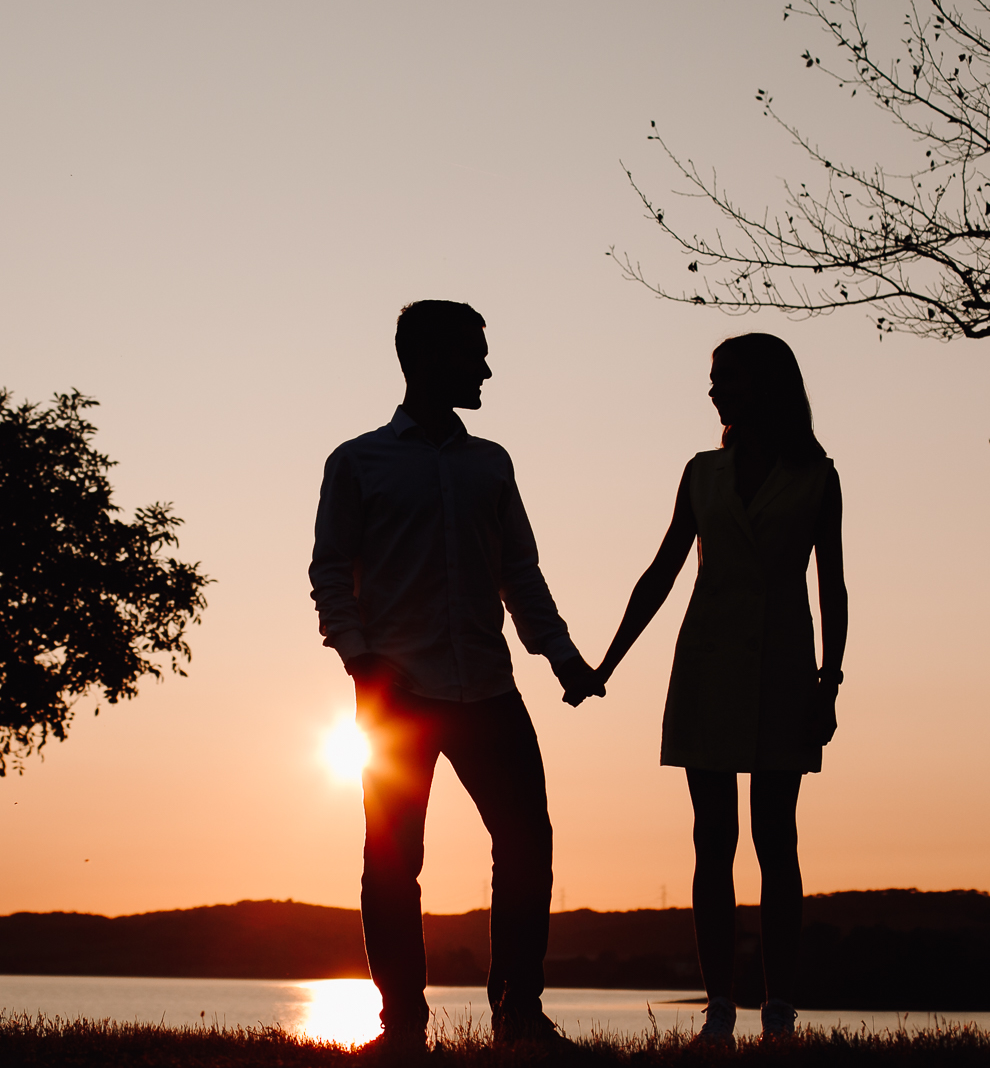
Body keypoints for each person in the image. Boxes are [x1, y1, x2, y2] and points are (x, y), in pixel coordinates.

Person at [309, 300, 605, 1056]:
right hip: (395, 692)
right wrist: (356, 655)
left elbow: (518, 573)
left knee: (526, 845)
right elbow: (330, 572)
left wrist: (562, 655)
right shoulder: (357, 461)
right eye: (474, 353)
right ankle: (402, 1025)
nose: (485, 368)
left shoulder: (490, 464)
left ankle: (517, 1017)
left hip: (489, 687)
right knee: (392, 859)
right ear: (426, 357)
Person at [591, 332, 848, 1044]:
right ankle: (720, 1010)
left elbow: (833, 587)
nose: (713, 389)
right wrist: (605, 665)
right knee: (712, 841)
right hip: (705, 665)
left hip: (783, 667)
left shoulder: (817, 477)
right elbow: (661, 573)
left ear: (764, 385)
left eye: (725, 377)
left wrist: (830, 681)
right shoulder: (701, 472)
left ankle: (780, 1012)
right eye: (713, 377)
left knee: (776, 839)